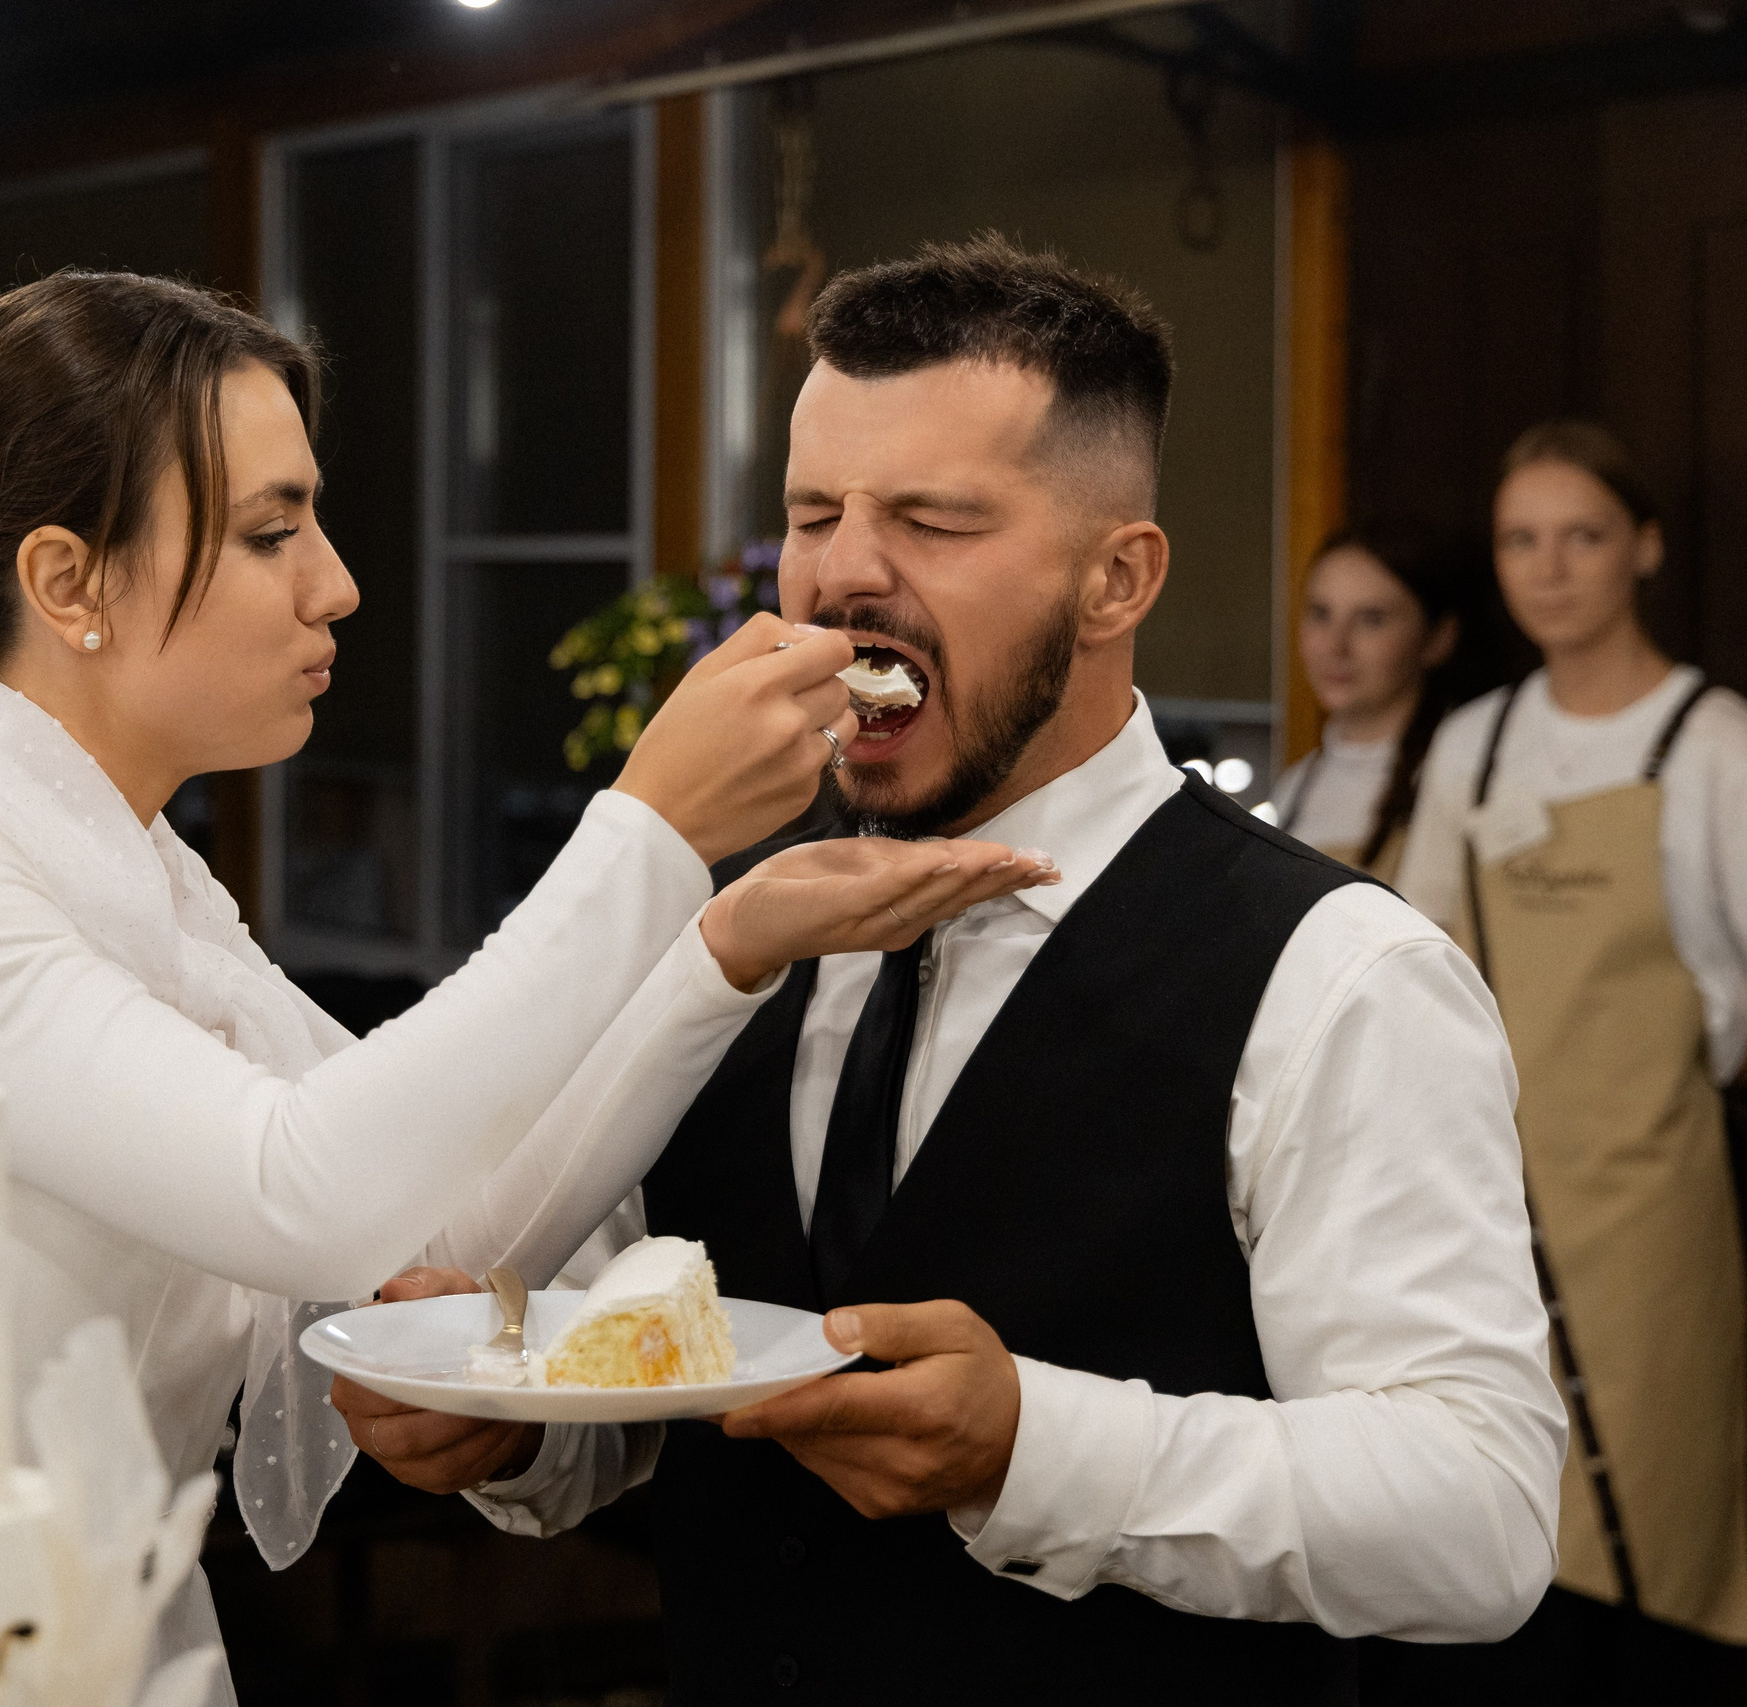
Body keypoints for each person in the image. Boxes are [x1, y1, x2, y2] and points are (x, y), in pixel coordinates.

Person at [0, 270, 1057, 1701]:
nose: (337, 584)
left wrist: (718, 951)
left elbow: (429, 1232)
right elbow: (305, 1193)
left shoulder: (126, 868)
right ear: (69, 582)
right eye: (271, 532)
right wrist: (647, 828)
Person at [334, 235, 1564, 1701]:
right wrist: (514, 1436)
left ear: (1116, 579)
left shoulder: (1338, 973)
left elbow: (1480, 1514)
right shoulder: (729, 933)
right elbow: (632, 1374)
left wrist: (1033, 1448)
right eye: (812, 514)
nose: (842, 571)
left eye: (931, 520)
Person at [1396, 419, 1747, 1690]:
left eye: (1581, 536)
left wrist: (1647, 1089)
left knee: (1645, 1558)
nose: (1549, 568)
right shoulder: (1472, 744)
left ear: (1644, 547)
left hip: (1653, 1210)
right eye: (1519, 540)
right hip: (1488, 1203)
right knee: (1492, 1532)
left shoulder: (1721, 745)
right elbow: (1422, 961)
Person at [1267, 522, 1476, 880]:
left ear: (1439, 638)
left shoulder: (1465, 770)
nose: (1336, 646)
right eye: (1321, 614)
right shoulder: (1296, 785)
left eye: (1371, 620)